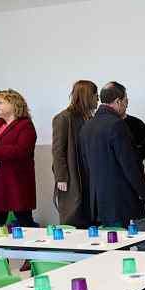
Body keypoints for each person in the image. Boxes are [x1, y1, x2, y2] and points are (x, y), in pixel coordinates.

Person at [77, 82, 145, 228]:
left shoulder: (87, 126)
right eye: (126, 101)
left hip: (99, 201)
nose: (126, 105)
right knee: (131, 245)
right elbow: (129, 163)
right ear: (118, 101)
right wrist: (143, 191)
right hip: (122, 200)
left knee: (112, 245)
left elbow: (85, 164)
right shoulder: (117, 125)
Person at [0, 89, 37, 231]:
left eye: (1, 102)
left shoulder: (25, 125)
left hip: (16, 180)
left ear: (13, 104)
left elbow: (22, 149)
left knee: (24, 222)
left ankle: (29, 252)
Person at [51, 79, 97, 228]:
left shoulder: (90, 118)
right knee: (74, 217)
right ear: (87, 96)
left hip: (90, 176)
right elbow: (58, 151)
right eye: (96, 95)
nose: (98, 100)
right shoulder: (64, 118)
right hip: (73, 177)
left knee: (92, 218)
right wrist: (61, 177)